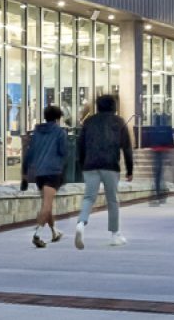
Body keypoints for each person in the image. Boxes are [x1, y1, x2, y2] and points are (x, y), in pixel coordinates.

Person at [73, 94, 133, 247]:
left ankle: (81, 223)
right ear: (113, 106)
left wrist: (82, 164)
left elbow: (80, 145)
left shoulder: (88, 122)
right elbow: (126, 147)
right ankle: (115, 235)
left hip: (90, 165)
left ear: (98, 106)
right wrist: (129, 169)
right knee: (112, 199)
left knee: (88, 197)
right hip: (110, 165)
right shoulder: (118, 122)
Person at [21, 105, 73, 248]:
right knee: (47, 204)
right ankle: (37, 234)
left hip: (39, 173)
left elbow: (29, 154)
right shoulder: (60, 132)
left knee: (47, 203)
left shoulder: (37, 133)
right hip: (53, 172)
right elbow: (63, 152)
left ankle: (54, 232)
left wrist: (24, 174)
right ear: (58, 118)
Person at [144, 113, 174, 205]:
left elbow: (149, 140)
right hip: (163, 151)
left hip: (156, 151)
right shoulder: (166, 129)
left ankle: (158, 195)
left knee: (157, 175)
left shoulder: (154, 129)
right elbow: (170, 140)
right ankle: (160, 195)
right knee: (160, 174)